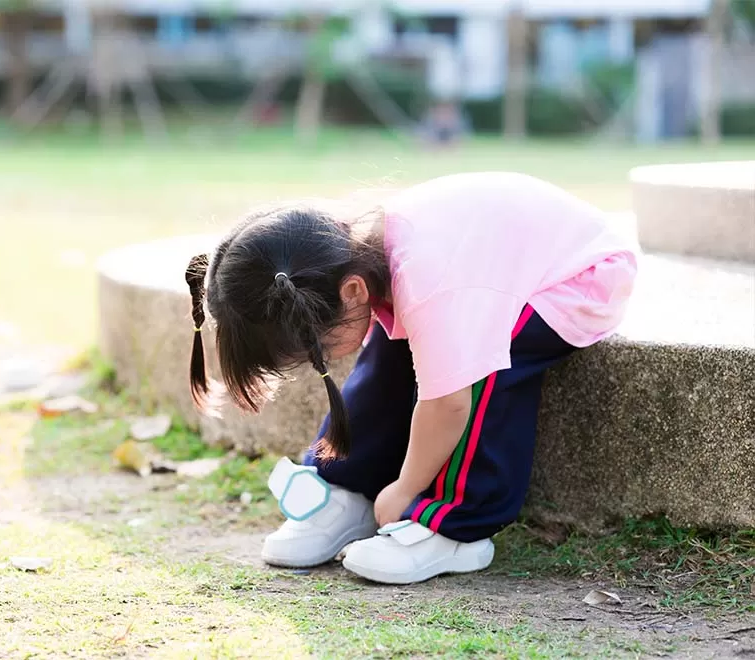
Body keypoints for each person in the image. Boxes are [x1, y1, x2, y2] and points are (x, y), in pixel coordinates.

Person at [183, 172, 638, 585]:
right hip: (494, 264)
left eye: (315, 348)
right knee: (390, 346)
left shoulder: (432, 283)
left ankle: (456, 525)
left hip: (579, 277)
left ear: (352, 290)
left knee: (481, 366)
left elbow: (449, 404)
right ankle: (349, 486)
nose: (318, 360)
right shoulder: (350, 257)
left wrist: (406, 487)